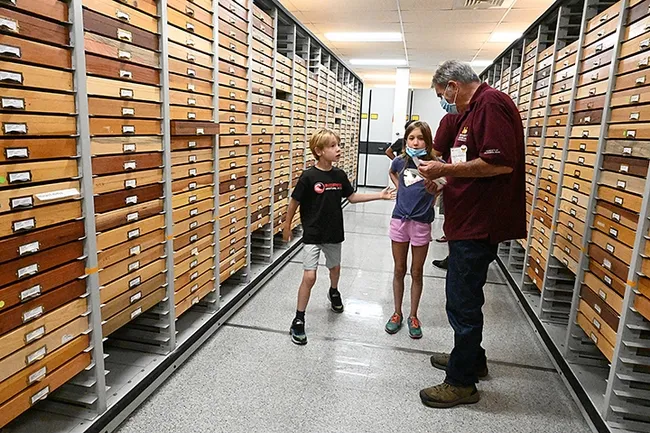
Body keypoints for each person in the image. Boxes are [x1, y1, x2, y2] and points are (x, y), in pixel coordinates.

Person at [417, 60, 526, 408]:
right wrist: (443, 180)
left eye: (441, 95)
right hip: (467, 220)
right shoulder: (471, 111)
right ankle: (472, 359)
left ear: (453, 85)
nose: (444, 102)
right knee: (464, 297)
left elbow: (500, 163)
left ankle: (461, 382)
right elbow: (468, 163)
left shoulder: (491, 104)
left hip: (480, 223)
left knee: (462, 301)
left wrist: (443, 168)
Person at [284, 128, 396, 346]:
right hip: (313, 233)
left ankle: (334, 291)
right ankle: (298, 319)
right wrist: (287, 225)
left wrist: (379, 195)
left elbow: (352, 197)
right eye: (333, 146)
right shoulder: (308, 176)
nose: (339, 149)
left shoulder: (339, 175)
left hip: (333, 232)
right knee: (309, 276)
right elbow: (294, 201)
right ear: (319, 151)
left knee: (334, 269)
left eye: (339, 145)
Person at [385, 121, 436, 339]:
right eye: (412, 138)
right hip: (400, 221)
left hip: (421, 222)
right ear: (406, 140)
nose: (416, 142)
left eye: (421, 138)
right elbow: (392, 172)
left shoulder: (435, 164)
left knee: (417, 272)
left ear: (428, 140)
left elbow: (442, 186)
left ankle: (413, 315)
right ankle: (397, 312)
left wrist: (435, 193)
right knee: (399, 269)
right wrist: (400, 189)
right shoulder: (400, 162)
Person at [430, 113, 463, 271]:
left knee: (452, 218)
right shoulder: (473, 115)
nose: (442, 99)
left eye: (440, 94)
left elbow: (436, 150)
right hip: (468, 180)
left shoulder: (450, 118)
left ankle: (453, 258)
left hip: (451, 177)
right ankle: (454, 258)